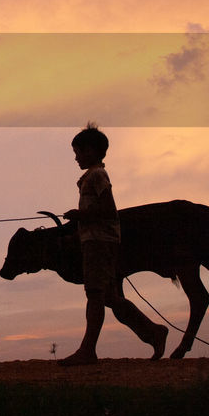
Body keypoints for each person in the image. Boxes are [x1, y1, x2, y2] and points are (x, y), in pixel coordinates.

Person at [59, 122, 168, 366]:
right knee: (109, 297)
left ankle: (88, 350)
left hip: (100, 243)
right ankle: (153, 332)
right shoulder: (91, 176)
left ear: (92, 152)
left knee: (95, 294)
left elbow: (109, 209)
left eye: (78, 152)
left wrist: (80, 216)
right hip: (96, 241)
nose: (76, 157)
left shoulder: (97, 175)